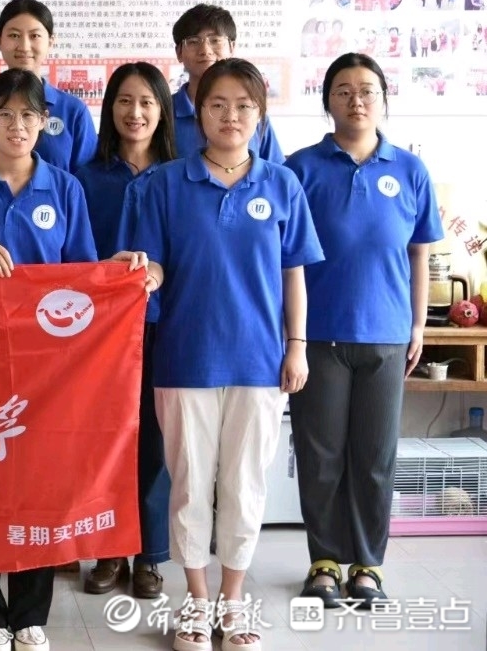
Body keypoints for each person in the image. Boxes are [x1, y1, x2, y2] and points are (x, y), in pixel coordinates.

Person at [0, 68, 152, 651]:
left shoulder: (65, 188)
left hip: (48, 367)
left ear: (43, 122)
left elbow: (83, 274)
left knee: (40, 483)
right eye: (4, 115)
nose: (17, 126)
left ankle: (29, 613)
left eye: (29, 116)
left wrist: (117, 271)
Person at [127, 59, 323, 651]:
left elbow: (294, 274)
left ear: (260, 115)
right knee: (189, 485)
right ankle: (195, 601)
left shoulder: (282, 185)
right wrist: (148, 275)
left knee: (244, 485)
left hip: (259, 362)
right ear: (198, 110)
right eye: (217, 104)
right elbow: (155, 262)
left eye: (243, 105)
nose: (230, 115)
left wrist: (296, 347)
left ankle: (233, 601)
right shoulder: (165, 183)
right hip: (185, 358)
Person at [284, 54, 442, 610]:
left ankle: (368, 565)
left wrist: (418, 324)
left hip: (387, 335)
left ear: (383, 98)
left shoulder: (410, 170)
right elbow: (285, 258)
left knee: (375, 458)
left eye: (367, 90)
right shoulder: (300, 168)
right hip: (319, 337)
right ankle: (324, 562)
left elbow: (419, 253)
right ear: (327, 100)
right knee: (321, 455)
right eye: (344, 90)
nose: (356, 100)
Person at [74, 63, 176, 601]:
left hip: (166, 326)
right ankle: (109, 549)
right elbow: (73, 256)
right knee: (107, 440)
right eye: (123, 101)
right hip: (100, 336)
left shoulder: (181, 177)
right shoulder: (84, 178)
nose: (134, 113)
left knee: (155, 443)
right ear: (109, 108)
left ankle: (150, 555)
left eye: (146, 102)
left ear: (162, 112)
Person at [0, 0, 96, 174]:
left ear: (50, 41)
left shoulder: (73, 111)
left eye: (34, 36)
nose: (24, 46)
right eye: (14, 35)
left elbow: (87, 178)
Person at [169, 5, 283, 163]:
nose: (205, 50)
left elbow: (275, 171)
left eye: (215, 40)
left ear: (231, 47)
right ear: (179, 52)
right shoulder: (163, 113)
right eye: (193, 41)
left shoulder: (250, 114)